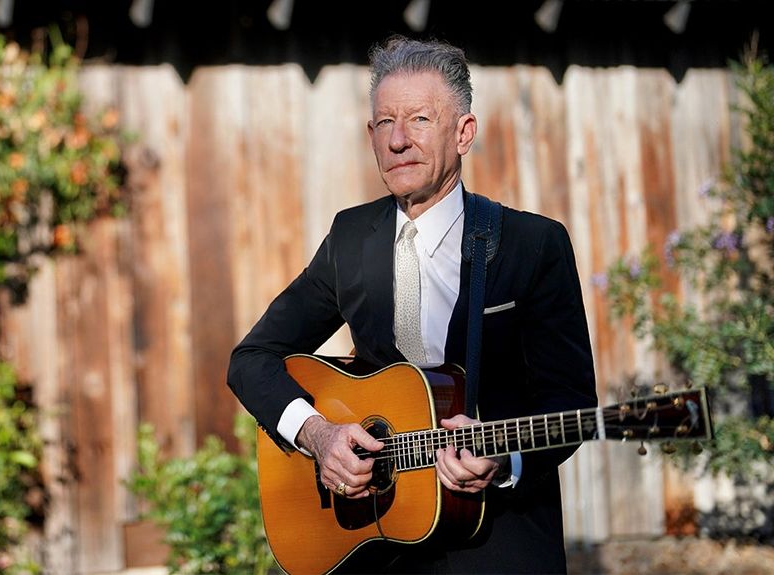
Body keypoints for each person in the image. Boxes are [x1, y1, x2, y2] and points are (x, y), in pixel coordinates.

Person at [227, 36, 597, 573]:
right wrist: (319, 435)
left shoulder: (532, 244)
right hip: (376, 544)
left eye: (420, 119)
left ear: (463, 133)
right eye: (385, 123)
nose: (398, 140)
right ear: (371, 136)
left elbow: (571, 402)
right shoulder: (350, 238)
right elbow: (251, 359)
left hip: (499, 544)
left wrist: (506, 459)